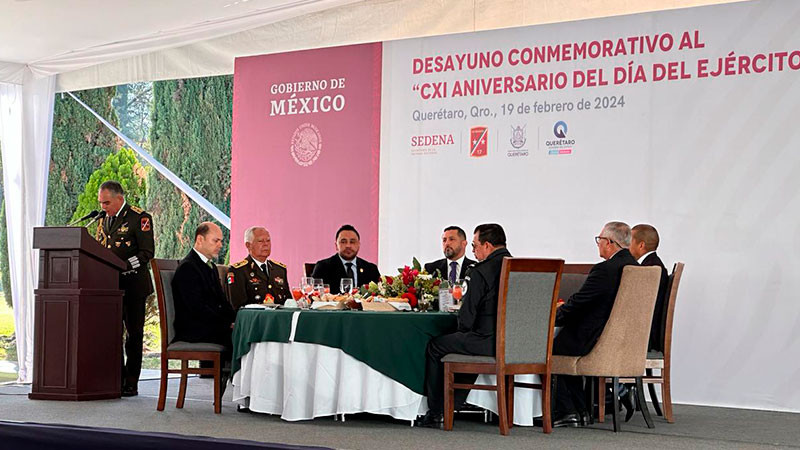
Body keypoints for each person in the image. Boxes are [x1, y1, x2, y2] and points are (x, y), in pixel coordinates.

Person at [418, 223, 511, 428]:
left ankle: (437, 412)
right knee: (463, 344)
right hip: (516, 344)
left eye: (475, 246)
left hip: (487, 342)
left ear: (487, 246)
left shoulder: (480, 271)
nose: (474, 251)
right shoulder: (520, 268)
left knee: (437, 346)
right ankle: (453, 404)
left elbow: (466, 319)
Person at [550, 221, 638, 427]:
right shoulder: (636, 268)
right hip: (617, 337)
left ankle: (568, 411)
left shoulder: (605, 270)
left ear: (609, 242)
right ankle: (582, 411)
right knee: (562, 346)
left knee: (547, 350)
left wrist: (552, 317)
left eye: (599, 239)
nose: (598, 244)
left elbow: (579, 303)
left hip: (593, 336)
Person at [95, 180, 154, 397]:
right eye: (101, 203)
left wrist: (125, 265)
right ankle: (116, 378)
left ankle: (131, 381)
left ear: (119, 199)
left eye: (107, 203)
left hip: (134, 285)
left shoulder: (139, 218)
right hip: (110, 285)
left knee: (133, 334)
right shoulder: (103, 219)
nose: (103, 207)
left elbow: (147, 253)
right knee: (113, 334)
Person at [172, 222, 236, 391]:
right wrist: (227, 324)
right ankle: (243, 388)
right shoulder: (188, 268)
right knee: (244, 337)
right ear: (200, 240)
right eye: (216, 241)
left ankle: (248, 388)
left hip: (209, 325)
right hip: (194, 329)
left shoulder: (211, 267)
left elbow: (222, 302)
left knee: (246, 332)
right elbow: (197, 308)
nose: (220, 245)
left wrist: (237, 319)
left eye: (221, 241)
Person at [629, 224, 669, 352]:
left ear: (641, 245)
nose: (626, 245)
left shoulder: (650, 269)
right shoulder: (653, 264)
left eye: (629, 241)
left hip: (645, 337)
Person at [228, 226, 290, 308]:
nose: (266, 244)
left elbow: (288, 302)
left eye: (268, 240)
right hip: (255, 316)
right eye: (260, 241)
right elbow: (238, 306)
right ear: (248, 245)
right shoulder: (239, 271)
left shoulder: (279, 269)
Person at [311, 224, 381, 291]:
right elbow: (315, 294)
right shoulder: (323, 267)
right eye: (343, 242)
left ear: (359, 245)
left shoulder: (371, 269)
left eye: (352, 242)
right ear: (336, 245)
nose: (348, 246)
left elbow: (379, 295)